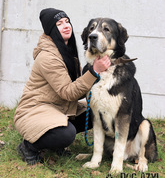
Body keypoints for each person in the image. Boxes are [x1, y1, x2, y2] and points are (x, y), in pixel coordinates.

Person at [14, 8, 111, 165]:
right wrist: (94, 71)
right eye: (59, 24)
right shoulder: (48, 56)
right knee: (66, 134)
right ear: (52, 30)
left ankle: (54, 145)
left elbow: (76, 89)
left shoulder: (67, 51)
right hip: (33, 110)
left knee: (96, 111)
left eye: (67, 21)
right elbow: (68, 92)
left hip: (59, 107)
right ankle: (28, 146)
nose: (66, 25)